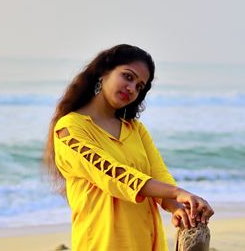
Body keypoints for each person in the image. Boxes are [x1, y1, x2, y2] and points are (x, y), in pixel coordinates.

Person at [44, 44, 214, 251]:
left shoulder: (135, 130)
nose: (132, 88)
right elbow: (113, 175)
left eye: (140, 86)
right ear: (103, 72)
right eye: (128, 76)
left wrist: (177, 207)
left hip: (147, 240)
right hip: (103, 243)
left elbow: (158, 175)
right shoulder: (69, 129)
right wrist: (177, 192)